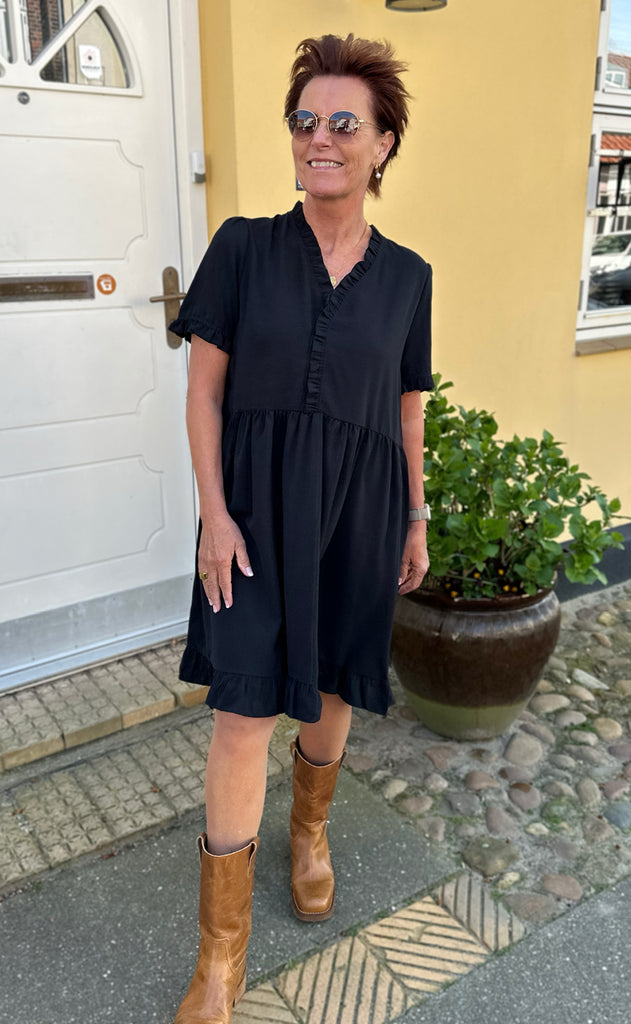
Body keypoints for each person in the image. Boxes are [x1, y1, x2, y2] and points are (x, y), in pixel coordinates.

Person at [168, 32, 433, 1024]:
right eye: (304, 120)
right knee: (241, 713)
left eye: (343, 123)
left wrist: (414, 516)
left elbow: (406, 410)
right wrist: (214, 515)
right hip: (250, 516)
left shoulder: (408, 277)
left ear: (382, 144)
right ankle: (220, 957)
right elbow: (203, 393)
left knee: (328, 689)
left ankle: (309, 832)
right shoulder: (242, 247)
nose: (319, 137)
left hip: (359, 514)